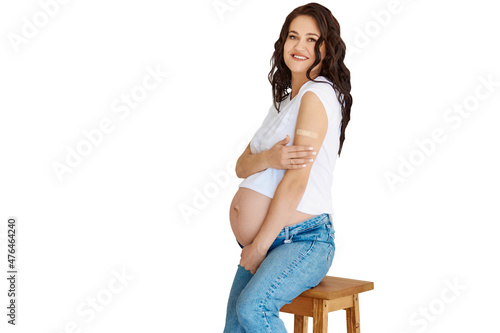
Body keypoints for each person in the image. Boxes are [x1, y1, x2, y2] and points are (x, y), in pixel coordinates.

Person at [224, 3, 352, 332]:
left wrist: (259, 247)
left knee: (255, 307)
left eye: (312, 39)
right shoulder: (284, 101)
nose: (300, 46)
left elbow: (296, 182)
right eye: (293, 36)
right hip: (272, 237)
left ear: (327, 48)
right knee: (235, 326)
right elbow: (241, 166)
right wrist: (269, 158)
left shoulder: (317, 94)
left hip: (304, 240)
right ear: (282, 42)